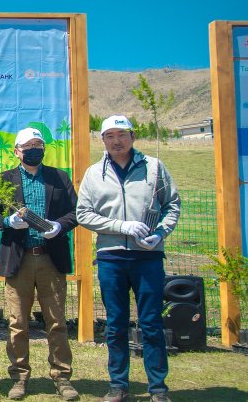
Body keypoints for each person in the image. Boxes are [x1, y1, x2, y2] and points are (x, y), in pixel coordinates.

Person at [76, 115, 181, 402]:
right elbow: (83, 214)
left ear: (133, 136)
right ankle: (118, 384)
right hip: (111, 258)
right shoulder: (94, 173)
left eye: (121, 134)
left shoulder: (155, 169)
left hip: (148, 258)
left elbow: (172, 204)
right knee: (116, 323)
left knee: (151, 323)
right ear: (103, 140)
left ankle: (158, 388)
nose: (116, 140)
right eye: (110, 135)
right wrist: (122, 227)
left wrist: (160, 234)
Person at [0, 127, 79, 401]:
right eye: (27, 146)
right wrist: (7, 222)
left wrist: (58, 226)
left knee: (57, 321)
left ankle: (62, 377)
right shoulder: (4, 180)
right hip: (19, 258)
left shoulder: (59, 178)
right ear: (17, 151)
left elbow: (75, 212)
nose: (33, 149)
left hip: (51, 258)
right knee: (18, 322)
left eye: (38, 144)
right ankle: (19, 377)